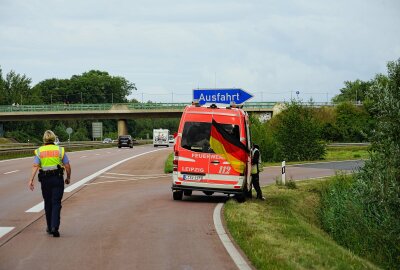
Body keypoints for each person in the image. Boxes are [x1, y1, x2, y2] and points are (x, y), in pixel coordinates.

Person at [28, 130, 71, 237]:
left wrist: (31, 180)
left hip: (45, 180)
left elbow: (35, 166)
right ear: (54, 138)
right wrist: (68, 177)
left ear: (44, 139)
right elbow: (67, 165)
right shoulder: (60, 150)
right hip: (57, 178)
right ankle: (54, 226)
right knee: (56, 202)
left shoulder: (40, 151)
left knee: (48, 202)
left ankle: (49, 226)